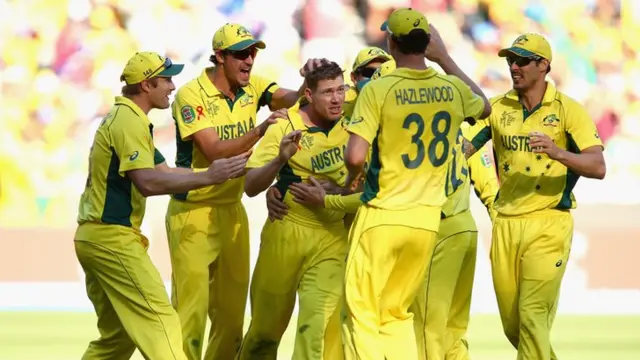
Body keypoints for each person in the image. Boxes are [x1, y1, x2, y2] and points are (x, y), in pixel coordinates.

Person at [165, 23, 327, 360]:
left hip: (233, 211)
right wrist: (260, 130)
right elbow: (213, 151)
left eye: (252, 52)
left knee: (231, 318)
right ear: (220, 57)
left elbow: (295, 100)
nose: (250, 59)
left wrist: (308, 82)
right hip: (193, 212)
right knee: (189, 315)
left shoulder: (253, 86)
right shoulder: (190, 95)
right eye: (241, 53)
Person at [74, 51, 250, 360]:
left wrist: (210, 175)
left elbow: (164, 171)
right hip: (112, 238)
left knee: (117, 337)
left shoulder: (128, 118)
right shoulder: (129, 120)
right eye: (166, 79)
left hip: (93, 238)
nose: (172, 86)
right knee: (162, 320)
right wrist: (210, 174)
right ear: (146, 85)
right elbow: (148, 182)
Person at [342, 8, 491, 360]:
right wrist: (445, 59)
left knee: (362, 316)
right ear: (427, 43)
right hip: (425, 221)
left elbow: (354, 156)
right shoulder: (451, 88)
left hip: (383, 215)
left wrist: (349, 182)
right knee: (397, 316)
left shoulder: (379, 88)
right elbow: (484, 107)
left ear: (391, 42)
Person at [464, 33, 606, 360]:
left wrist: (558, 152)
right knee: (515, 327)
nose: (514, 67)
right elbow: (464, 149)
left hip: (549, 223)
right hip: (506, 224)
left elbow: (597, 166)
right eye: (510, 60)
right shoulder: (497, 108)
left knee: (531, 315)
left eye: (523, 61)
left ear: (543, 66)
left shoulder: (568, 110)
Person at [237, 61, 354, 359]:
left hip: (332, 236)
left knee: (313, 330)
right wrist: (279, 160)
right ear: (308, 95)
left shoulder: (354, 116)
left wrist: (339, 192)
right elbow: (250, 186)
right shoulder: (284, 126)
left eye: (341, 90)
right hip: (287, 230)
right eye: (327, 92)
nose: (337, 98)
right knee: (264, 335)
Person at [343, 46, 392, 118]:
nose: (376, 77)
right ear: (354, 78)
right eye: (369, 72)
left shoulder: (397, 101)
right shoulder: (340, 102)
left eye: (382, 72)